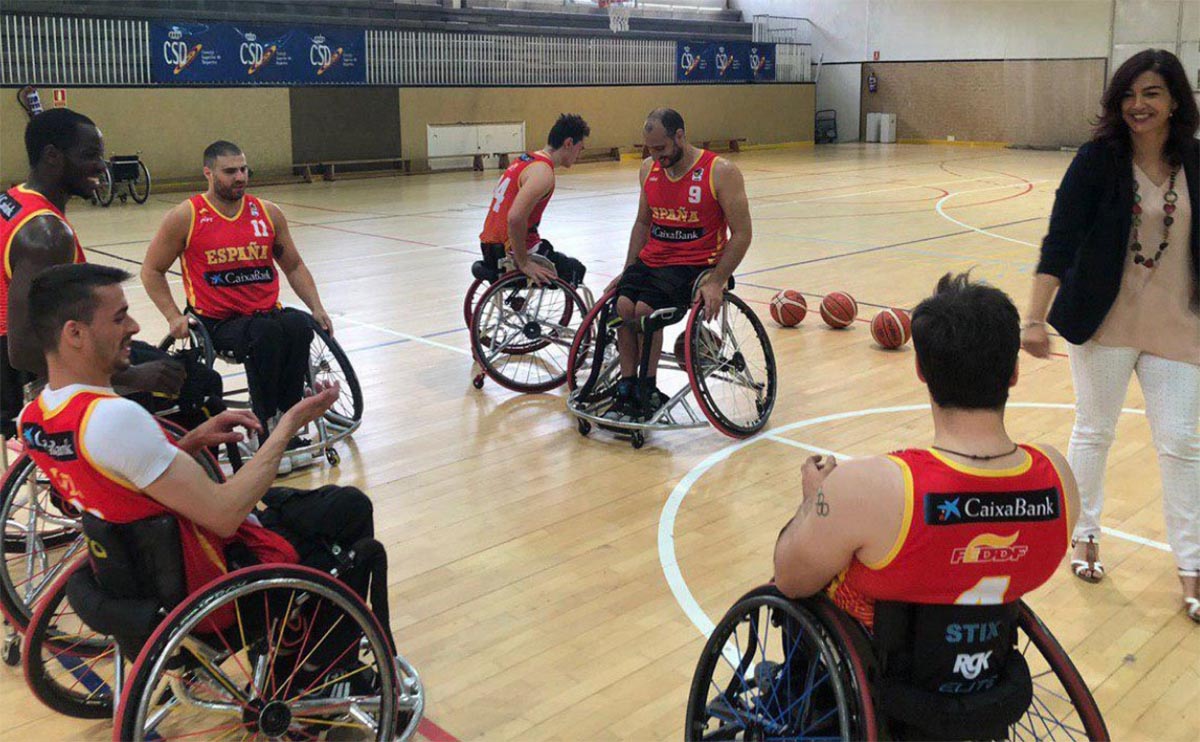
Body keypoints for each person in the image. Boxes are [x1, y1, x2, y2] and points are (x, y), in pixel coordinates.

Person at [18, 263, 375, 605]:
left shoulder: (33, 419)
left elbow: (122, 485)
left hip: (139, 578)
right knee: (350, 508)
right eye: (119, 317)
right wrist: (287, 426)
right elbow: (225, 514)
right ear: (75, 333)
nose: (134, 326)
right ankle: (317, 657)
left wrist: (190, 442)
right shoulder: (112, 418)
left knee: (302, 502)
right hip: (212, 580)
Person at [773, 273, 1079, 631]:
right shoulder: (1058, 474)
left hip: (881, 668)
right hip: (995, 662)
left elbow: (789, 580)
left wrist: (814, 499)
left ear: (921, 370)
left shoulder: (868, 487)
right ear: (1013, 372)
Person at [1021, 49, 1199, 622]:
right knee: (1094, 430)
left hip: (1178, 322)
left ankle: (1192, 563)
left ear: (1175, 101)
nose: (1138, 105)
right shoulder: (1098, 159)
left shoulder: (1194, 159)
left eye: (1151, 93)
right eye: (1128, 94)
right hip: (1104, 322)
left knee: (1181, 441)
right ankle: (1086, 535)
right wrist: (1032, 317)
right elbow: (1060, 239)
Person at [142, 140, 334, 472]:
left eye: (243, 169)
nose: (240, 177)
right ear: (209, 173)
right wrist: (173, 316)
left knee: (300, 325)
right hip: (217, 321)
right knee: (266, 335)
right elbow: (151, 270)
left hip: (266, 312)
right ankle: (263, 426)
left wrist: (316, 306)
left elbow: (294, 266)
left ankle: (286, 420)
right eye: (230, 171)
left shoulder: (268, 213)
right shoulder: (187, 216)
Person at [2, 108, 191, 439]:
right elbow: (23, 351)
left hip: (37, 351)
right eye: (90, 155)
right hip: (23, 371)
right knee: (191, 384)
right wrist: (129, 377)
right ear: (52, 157)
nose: (102, 166)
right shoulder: (47, 235)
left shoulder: (13, 199)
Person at [605, 108, 752, 420]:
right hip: (653, 259)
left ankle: (649, 386)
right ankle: (627, 386)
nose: (656, 156)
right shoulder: (648, 169)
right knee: (622, 306)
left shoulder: (720, 171)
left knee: (645, 311)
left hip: (695, 263)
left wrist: (717, 280)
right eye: (650, 149)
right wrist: (628, 268)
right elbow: (643, 224)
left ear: (680, 137)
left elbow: (742, 234)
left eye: (662, 148)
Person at [478, 113, 590, 286]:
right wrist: (523, 263)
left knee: (547, 248)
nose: (580, 155)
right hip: (508, 251)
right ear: (568, 143)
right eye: (580, 148)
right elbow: (515, 217)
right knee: (575, 270)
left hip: (489, 245)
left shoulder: (525, 159)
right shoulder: (543, 172)